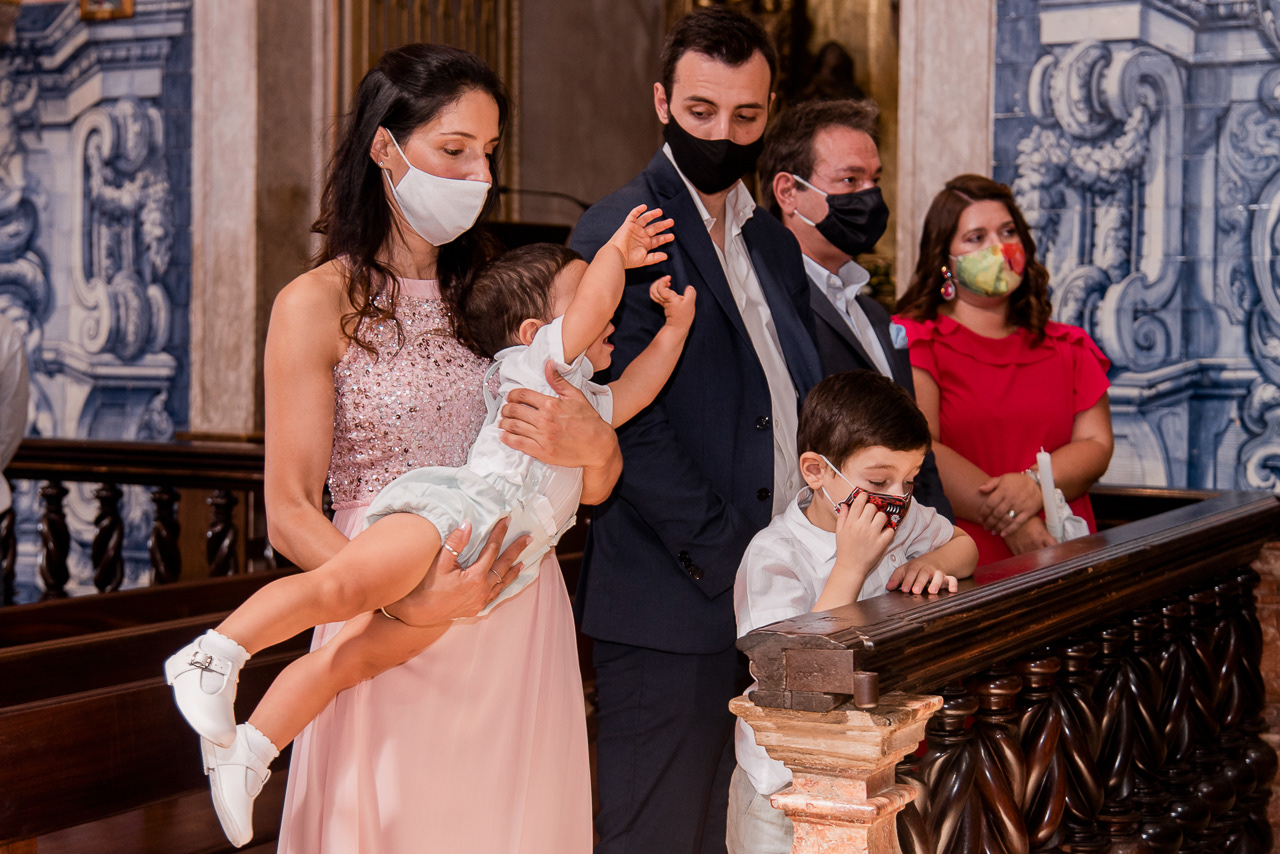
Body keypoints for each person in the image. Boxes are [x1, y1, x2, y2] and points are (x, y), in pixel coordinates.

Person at [166, 213, 693, 847]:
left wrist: (674, 331)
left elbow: (637, 393)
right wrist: (615, 251)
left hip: (499, 577)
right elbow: (596, 304)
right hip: (454, 516)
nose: (608, 317)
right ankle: (215, 653)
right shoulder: (539, 366)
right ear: (537, 332)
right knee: (339, 590)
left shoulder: (581, 395)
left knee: (350, 661)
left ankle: (250, 750)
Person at [251, 44, 623, 854]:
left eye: (488, 153)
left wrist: (597, 446)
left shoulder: (499, 293)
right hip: (386, 614)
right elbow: (289, 511)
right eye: (454, 150)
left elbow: (587, 484)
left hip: (514, 604)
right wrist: (401, 599)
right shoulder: (315, 303)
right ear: (385, 148)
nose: (478, 175)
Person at [569, 8, 823, 853]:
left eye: (745, 116)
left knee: (744, 833)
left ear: (770, 110)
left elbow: (794, 396)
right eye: (701, 111)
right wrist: (732, 556)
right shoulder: (622, 230)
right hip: (675, 598)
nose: (722, 134)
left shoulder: (774, 244)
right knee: (657, 836)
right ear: (662, 103)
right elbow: (624, 423)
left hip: (778, 593)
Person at [728, 370, 976, 853]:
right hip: (784, 784)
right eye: (879, 480)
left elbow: (964, 547)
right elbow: (795, 671)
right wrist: (852, 565)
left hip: (869, 769)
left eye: (909, 480)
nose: (898, 497)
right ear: (816, 471)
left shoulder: (900, 518)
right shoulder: (775, 554)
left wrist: (931, 563)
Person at [893, 174, 1114, 570]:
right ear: (944, 260)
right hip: (959, 556)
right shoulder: (915, 340)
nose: (997, 247)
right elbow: (922, 448)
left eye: (1008, 232)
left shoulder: (1070, 346)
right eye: (976, 238)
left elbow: (1096, 444)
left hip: (1062, 550)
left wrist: (1033, 485)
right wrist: (1013, 519)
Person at [758, 97, 953, 521]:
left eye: (874, 179)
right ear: (789, 192)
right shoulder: (770, 306)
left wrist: (940, 533)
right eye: (850, 179)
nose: (870, 195)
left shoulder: (876, 315)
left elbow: (915, 445)